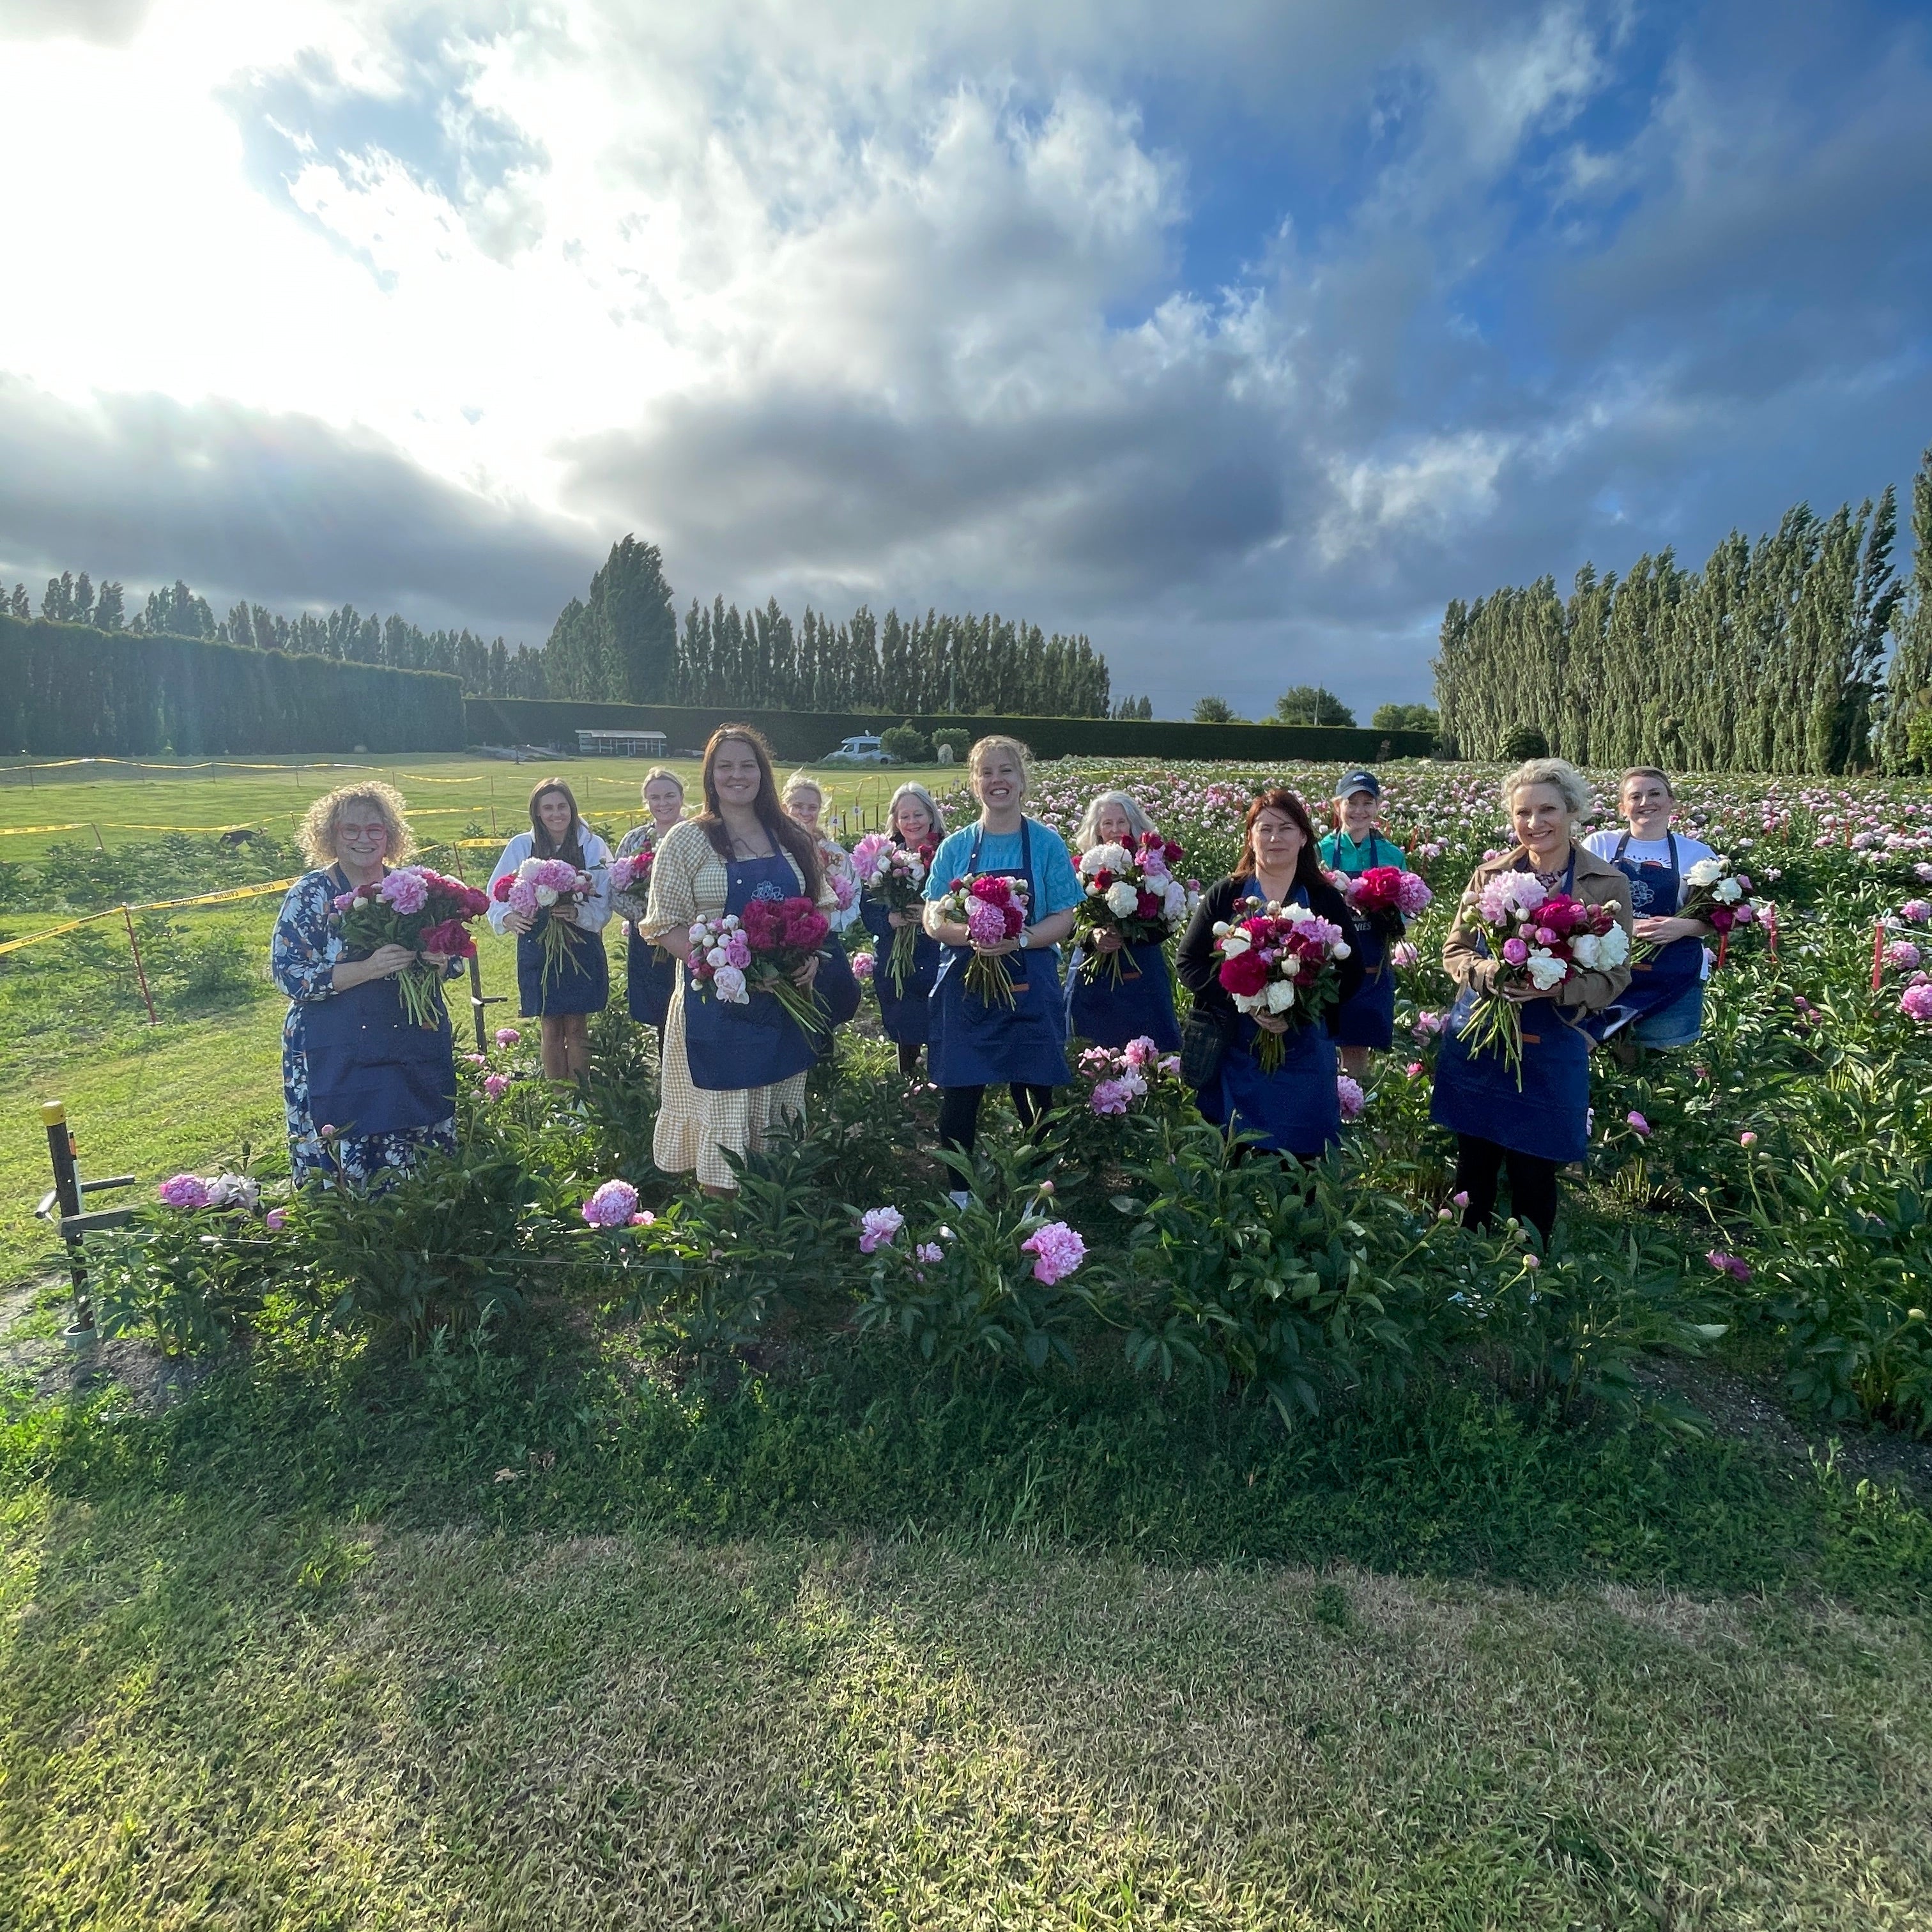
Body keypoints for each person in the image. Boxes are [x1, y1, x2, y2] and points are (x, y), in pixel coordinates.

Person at [1430, 758, 1633, 1249]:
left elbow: (1618, 974)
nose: (1535, 824)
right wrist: (1487, 974)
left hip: (1554, 1035)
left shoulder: (1607, 885)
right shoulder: (1490, 876)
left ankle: (1529, 1275)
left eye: (1548, 810)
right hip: (1484, 1033)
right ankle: (1467, 1263)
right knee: (1474, 1159)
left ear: (1572, 811)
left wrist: (1558, 988)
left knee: (1535, 1164)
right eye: (1523, 813)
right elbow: (1454, 950)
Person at [641, 726, 833, 1195]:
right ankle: (725, 1240)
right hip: (717, 1010)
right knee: (724, 1130)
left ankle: (771, 1227)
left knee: (775, 1127)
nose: (736, 775)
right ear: (710, 774)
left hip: (783, 1006)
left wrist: (810, 957)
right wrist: (733, 970)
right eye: (724, 765)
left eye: (747, 765)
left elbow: (820, 905)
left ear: (763, 774)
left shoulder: (791, 836)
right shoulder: (686, 840)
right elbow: (664, 924)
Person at [272, 782, 461, 1186]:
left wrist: (439, 960)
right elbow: (291, 975)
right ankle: (351, 1235)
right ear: (330, 836)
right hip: (334, 1046)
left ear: (390, 836)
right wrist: (370, 968)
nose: (364, 839)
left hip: (410, 1040)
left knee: (419, 1132)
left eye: (375, 829)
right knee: (344, 1135)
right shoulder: (311, 894)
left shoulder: (414, 890)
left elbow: (456, 962)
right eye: (350, 830)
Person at [922, 736, 1080, 1191]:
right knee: (961, 1093)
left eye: (1006, 771)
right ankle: (960, 1199)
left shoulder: (1047, 845)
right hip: (967, 985)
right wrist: (969, 934)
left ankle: (1035, 1197)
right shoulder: (956, 846)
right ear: (974, 784)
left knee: (1034, 1093)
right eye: (987, 773)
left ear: (1022, 780)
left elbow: (1065, 918)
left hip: (1030, 980)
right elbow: (934, 915)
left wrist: (1021, 938)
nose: (997, 781)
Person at [1176, 788, 1365, 1161]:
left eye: (1286, 828)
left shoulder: (1324, 898)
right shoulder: (1225, 895)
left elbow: (1352, 971)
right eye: (1265, 829)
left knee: (1303, 1161)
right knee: (1236, 1153)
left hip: (1305, 1051)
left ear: (1304, 837)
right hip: (1235, 1050)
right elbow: (1189, 963)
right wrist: (1244, 999)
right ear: (1250, 837)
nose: (1275, 838)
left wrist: (1300, 1007)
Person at [1581, 767, 1715, 1056]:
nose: (1645, 802)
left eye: (1655, 794)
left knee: (1665, 1063)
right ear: (1622, 807)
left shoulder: (1698, 854)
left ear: (1671, 801)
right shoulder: (1599, 845)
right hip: (1607, 971)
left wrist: (1682, 927)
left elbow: (1716, 918)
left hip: (1673, 973)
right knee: (1607, 1058)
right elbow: (1577, 904)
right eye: (1635, 796)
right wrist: (1625, 926)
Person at [487, 780, 615, 1084]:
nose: (556, 814)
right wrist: (507, 918)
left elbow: (607, 896)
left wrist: (578, 912)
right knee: (550, 1025)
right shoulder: (521, 845)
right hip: (537, 943)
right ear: (537, 813)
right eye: (548, 808)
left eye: (562, 806)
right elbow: (495, 891)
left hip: (580, 943)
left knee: (577, 1025)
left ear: (572, 808)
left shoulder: (592, 845)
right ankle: (557, 1097)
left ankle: (581, 1098)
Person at [1065, 788, 1183, 1052]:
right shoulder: (1080, 869)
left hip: (1141, 974)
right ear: (1097, 829)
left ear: (1133, 825)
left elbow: (1167, 921)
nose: (1115, 830)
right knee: (1091, 1055)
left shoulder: (1152, 867)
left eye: (1122, 822)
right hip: (1092, 974)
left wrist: (1129, 930)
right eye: (1108, 823)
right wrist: (1093, 935)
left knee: (1148, 1056)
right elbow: (1066, 922)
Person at [1317, 768, 1409, 1078]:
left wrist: (1391, 916)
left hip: (1372, 963)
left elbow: (1406, 910)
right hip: (1325, 961)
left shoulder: (1391, 854)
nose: (1359, 810)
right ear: (1336, 805)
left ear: (1379, 806)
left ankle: (1355, 1107)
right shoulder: (1319, 851)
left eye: (1367, 802)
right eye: (1351, 802)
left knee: (1358, 1041)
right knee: (1319, 1038)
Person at [859, 781, 947, 1078]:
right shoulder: (885, 859)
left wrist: (930, 914)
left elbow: (961, 899)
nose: (912, 822)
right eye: (904, 816)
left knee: (939, 1022)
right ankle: (908, 1084)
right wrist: (889, 920)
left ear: (932, 816)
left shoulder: (946, 853)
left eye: (918, 815)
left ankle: (940, 1086)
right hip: (897, 958)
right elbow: (868, 906)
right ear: (895, 820)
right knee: (903, 1017)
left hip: (936, 953)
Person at [611, 766, 687, 1046]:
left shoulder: (697, 833)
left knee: (687, 1006)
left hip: (686, 935)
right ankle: (665, 1077)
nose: (663, 803)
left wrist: (674, 919)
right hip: (646, 938)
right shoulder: (633, 840)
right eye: (655, 798)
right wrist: (651, 919)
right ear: (646, 802)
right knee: (658, 1012)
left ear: (681, 797)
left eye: (669, 796)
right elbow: (615, 889)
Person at [781, 770, 863, 1028]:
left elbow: (852, 893)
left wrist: (828, 923)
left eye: (812, 807)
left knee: (836, 997)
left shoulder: (833, 854)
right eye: (798, 806)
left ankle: (826, 1058)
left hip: (822, 937)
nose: (805, 813)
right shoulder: (770, 849)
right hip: (783, 941)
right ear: (784, 807)